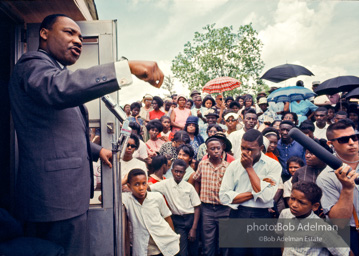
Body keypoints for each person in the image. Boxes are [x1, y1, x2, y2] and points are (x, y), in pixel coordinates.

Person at [8, 14, 163, 256]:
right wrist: (125, 68)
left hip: (66, 199)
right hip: (54, 202)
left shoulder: (54, 70)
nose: (78, 40)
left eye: (80, 36)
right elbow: (58, 89)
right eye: (69, 32)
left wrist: (96, 150)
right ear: (44, 33)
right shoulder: (32, 64)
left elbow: (60, 133)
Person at [219, 129, 281, 256]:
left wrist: (249, 168)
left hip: (261, 216)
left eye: (250, 149)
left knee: (260, 253)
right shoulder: (234, 165)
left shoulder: (273, 165)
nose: (245, 152)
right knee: (236, 253)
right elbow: (224, 197)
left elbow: (266, 197)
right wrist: (255, 192)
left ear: (261, 147)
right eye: (243, 148)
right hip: (238, 214)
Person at [316, 119, 359, 254]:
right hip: (352, 233)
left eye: (355, 137)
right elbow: (339, 223)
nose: (352, 142)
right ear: (331, 144)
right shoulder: (326, 177)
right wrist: (347, 189)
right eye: (344, 140)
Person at [278, 181, 351, 256]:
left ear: (315, 206)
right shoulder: (285, 214)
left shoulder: (321, 228)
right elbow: (281, 237)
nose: (294, 205)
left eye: (301, 202)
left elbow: (344, 252)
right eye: (292, 198)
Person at [150, 159, 201, 256]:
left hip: (191, 219)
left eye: (181, 172)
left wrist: (194, 228)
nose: (178, 174)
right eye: (176, 171)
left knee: (194, 250)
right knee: (181, 251)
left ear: (184, 173)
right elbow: (150, 188)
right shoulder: (165, 184)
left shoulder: (189, 187)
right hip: (177, 221)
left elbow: (197, 207)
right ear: (172, 171)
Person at [123, 169, 180, 256]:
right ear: (129, 186)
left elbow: (167, 218)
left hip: (165, 244)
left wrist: (173, 235)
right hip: (144, 249)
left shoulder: (157, 197)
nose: (141, 188)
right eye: (136, 184)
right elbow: (103, 198)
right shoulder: (127, 199)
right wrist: (122, 181)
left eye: (144, 183)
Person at [192, 136, 231, 256]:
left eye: (218, 148)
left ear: (222, 150)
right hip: (207, 209)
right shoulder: (202, 165)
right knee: (208, 242)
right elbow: (196, 179)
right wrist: (198, 197)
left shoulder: (228, 167)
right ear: (207, 151)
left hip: (224, 209)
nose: (216, 151)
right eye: (212, 148)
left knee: (225, 241)